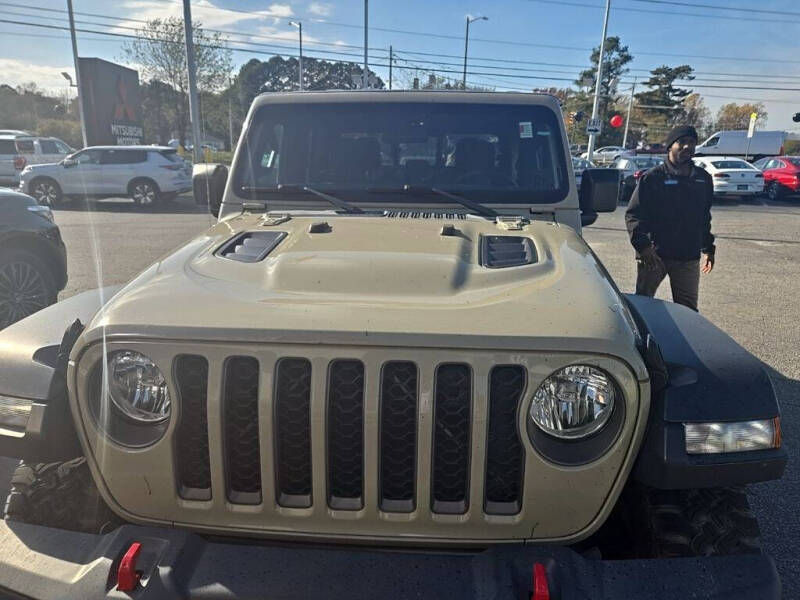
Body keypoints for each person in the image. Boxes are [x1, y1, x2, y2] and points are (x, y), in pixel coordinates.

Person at [625, 125, 715, 312]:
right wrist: (643, 247)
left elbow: (704, 216)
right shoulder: (652, 178)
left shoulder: (702, 179)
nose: (686, 147)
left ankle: (684, 342)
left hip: (688, 257)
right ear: (670, 146)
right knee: (642, 305)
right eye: (681, 142)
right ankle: (642, 341)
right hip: (654, 256)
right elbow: (634, 215)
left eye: (691, 143)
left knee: (688, 311)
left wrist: (708, 248)